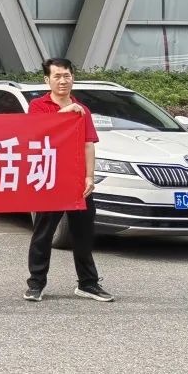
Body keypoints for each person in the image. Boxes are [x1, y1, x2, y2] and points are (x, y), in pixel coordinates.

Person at [24, 57, 114, 303]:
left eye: (67, 76)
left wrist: (89, 176)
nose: (63, 81)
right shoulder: (38, 106)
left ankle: (88, 283)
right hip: (50, 178)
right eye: (57, 76)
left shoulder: (82, 109)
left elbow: (88, 145)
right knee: (43, 233)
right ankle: (36, 284)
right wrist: (65, 113)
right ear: (47, 80)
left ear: (73, 77)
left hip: (76, 181)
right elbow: (36, 132)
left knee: (83, 234)